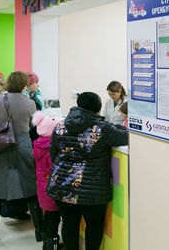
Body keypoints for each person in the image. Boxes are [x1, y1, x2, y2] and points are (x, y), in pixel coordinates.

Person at [47, 92, 128, 250]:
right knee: (94, 225)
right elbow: (126, 137)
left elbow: (53, 153)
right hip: (92, 191)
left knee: (69, 223)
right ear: (97, 110)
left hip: (62, 186)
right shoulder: (102, 128)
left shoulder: (61, 125)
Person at [0, 71, 43, 247]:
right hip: (23, 146)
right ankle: (39, 231)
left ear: (8, 83)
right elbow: (33, 124)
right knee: (30, 187)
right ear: (24, 85)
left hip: (0, 146)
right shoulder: (30, 103)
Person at [32, 111, 62, 250]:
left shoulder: (38, 145)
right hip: (52, 188)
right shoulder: (51, 148)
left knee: (48, 216)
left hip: (42, 188)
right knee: (54, 219)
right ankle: (51, 245)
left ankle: (46, 243)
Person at [24, 71, 43, 143]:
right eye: (36, 83)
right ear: (29, 84)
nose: (38, 86)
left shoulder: (36, 96)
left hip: (36, 129)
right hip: (27, 131)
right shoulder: (24, 97)